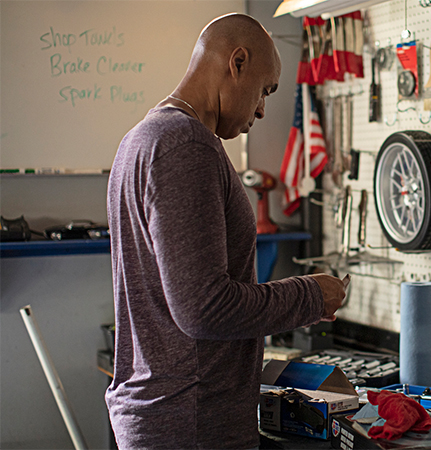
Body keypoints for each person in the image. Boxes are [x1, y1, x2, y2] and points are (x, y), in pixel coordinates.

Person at [105, 13, 346, 449]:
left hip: (174, 416)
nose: (261, 108)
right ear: (237, 62)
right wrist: (310, 295)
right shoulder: (184, 144)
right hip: (191, 424)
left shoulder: (141, 140)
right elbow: (203, 308)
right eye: (265, 89)